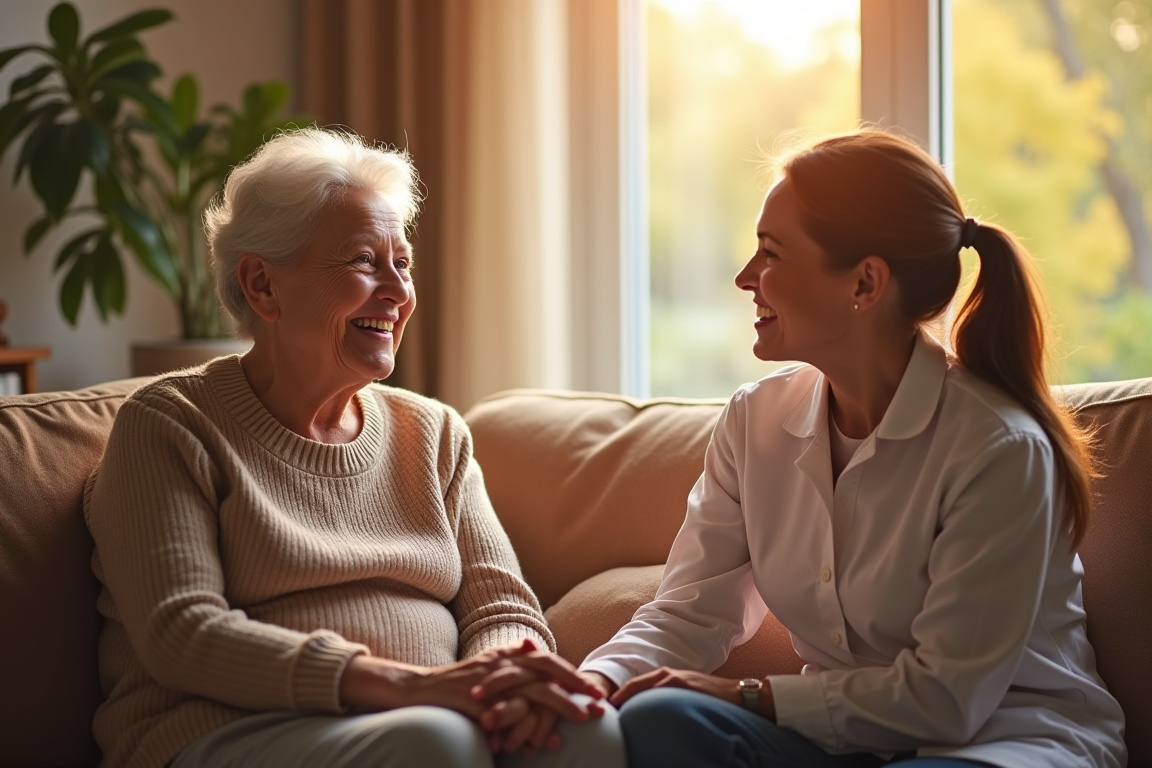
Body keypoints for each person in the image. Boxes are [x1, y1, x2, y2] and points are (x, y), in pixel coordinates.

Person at [578, 129, 1126, 768]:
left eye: (771, 254)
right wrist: (590, 685)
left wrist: (745, 697)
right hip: (840, 744)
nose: (744, 277)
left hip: (997, 744)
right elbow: (689, 615)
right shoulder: (754, 421)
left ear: (864, 283)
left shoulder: (998, 448)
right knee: (659, 718)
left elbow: (947, 701)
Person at [84, 126, 624, 768]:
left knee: (585, 730)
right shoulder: (172, 423)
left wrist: (503, 687)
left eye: (404, 263)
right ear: (262, 285)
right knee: (435, 743)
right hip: (220, 732)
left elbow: (504, 608)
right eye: (366, 261)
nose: (397, 293)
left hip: (427, 721)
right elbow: (183, 634)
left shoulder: (432, 433)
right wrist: (408, 687)